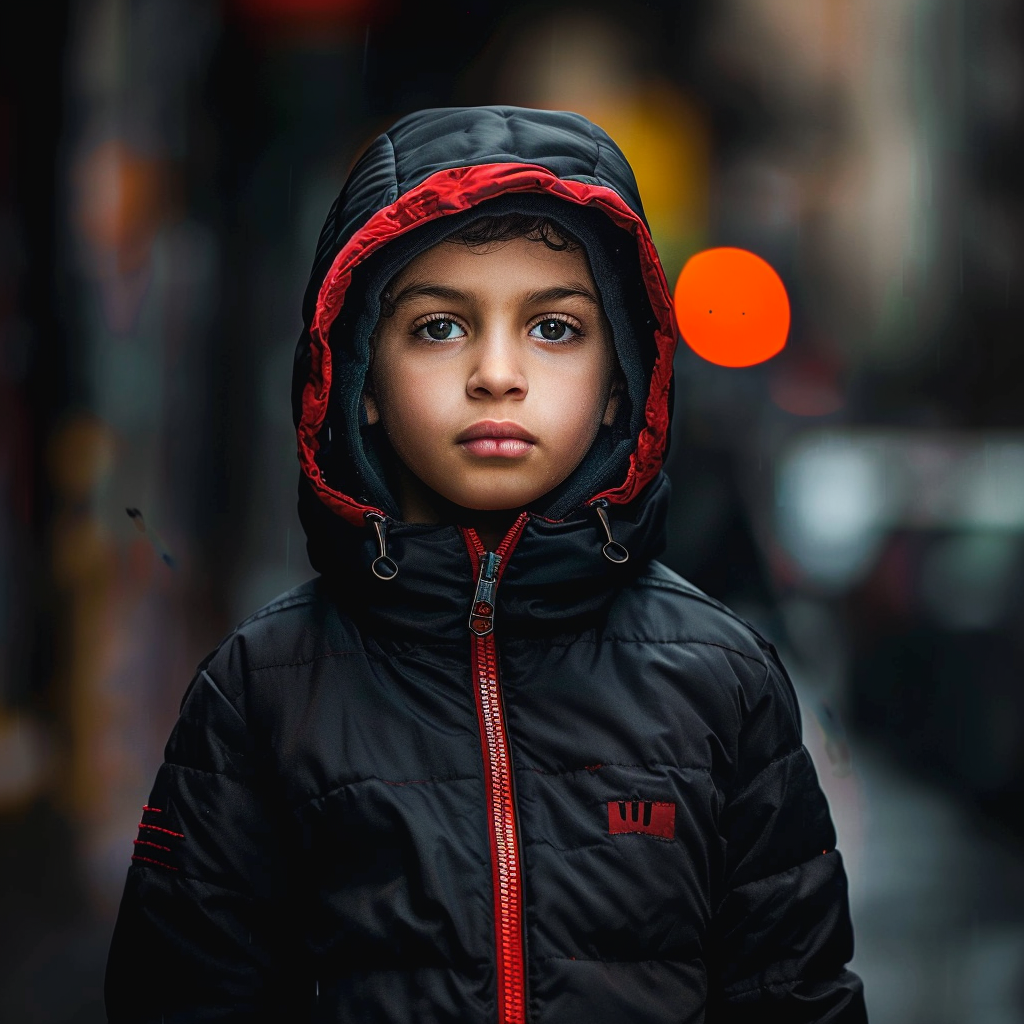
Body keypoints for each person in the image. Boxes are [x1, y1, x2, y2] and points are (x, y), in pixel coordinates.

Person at [105, 105, 867, 1023]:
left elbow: (798, 998)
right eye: (438, 328)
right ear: (361, 380)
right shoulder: (262, 693)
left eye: (554, 329)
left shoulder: (723, 681)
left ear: (622, 375)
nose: (496, 373)